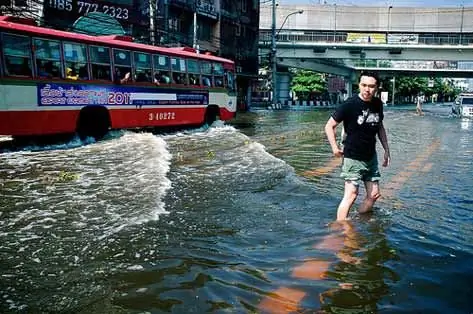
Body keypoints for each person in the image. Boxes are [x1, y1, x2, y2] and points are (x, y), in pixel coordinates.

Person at [324, 71, 391, 221]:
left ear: (377, 88)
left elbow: (380, 127)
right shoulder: (349, 104)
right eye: (364, 85)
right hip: (353, 157)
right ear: (359, 85)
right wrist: (334, 148)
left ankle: (360, 219)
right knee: (351, 195)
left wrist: (387, 149)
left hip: (370, 157)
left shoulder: (377, 104)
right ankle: (340, 228)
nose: (367, 89)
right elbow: (329, 126)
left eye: (371, 86)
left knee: (374, 195)